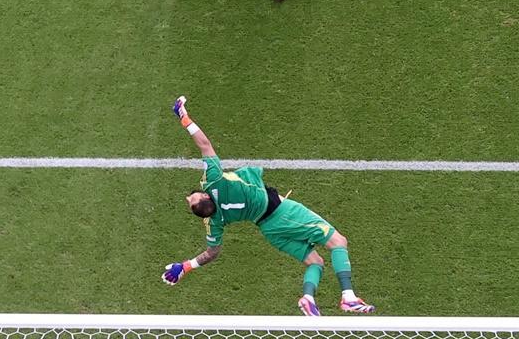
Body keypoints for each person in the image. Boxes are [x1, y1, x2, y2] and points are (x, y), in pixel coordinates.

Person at [161, 96, 375, 315]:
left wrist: (186, 266)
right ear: (205, 195)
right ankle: (348, 297)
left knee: (315, 262)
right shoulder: (214, 180)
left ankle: (308, 298)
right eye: (192, 200)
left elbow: (212, 252)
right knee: (338, 241)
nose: (189, 198)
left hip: (270, 231)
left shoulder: (215, 221)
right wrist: (183, 117)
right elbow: (204, 144)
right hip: (283, 214)